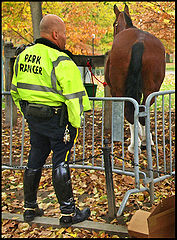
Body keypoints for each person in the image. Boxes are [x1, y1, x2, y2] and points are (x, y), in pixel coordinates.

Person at [11, 14, 91, 226]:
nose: (65, 38)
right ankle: (68, 212)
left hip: (35, 119)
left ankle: (29, 208)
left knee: (35, 159)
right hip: (59, 121)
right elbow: (75, 99)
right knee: (60, 161)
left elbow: (15, 91)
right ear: (55, 34)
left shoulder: (22, 57)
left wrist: (28, 113)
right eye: (64, 34)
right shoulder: (61, 60)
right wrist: (75, 124)